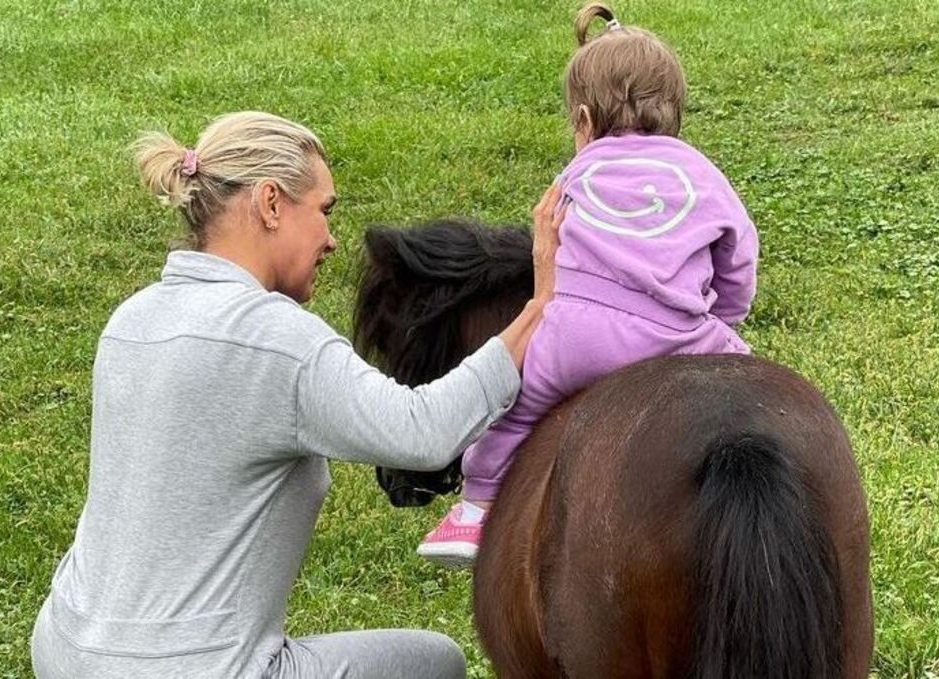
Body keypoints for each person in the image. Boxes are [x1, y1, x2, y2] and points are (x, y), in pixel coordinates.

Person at [30, 110, 563, 678]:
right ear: (270, 203)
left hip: (65, 649)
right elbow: (423, 430)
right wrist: (538, 308)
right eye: (324, 211)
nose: (332, 239)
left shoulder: (131, 320)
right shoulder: (277, 341)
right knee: (434, 665)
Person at [418, 2, 759, 568]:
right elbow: (738, 254)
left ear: (582, 118)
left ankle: (475, 510)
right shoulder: (703, 174)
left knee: (516, 410)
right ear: (676, 111)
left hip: (573, 336)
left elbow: (547, 230)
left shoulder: (576, 172)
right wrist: (724, 320)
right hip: (673, 338)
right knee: (754, 384)